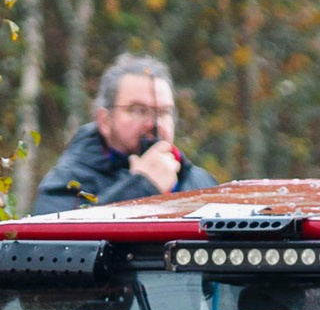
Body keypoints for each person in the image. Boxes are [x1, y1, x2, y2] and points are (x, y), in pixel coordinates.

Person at [31, 53, 219, 215]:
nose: (153, 125)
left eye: (163, 112)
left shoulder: (200, 182)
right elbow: (54, 248)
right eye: (139, 110)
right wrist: (143, 185)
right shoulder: (69, 182)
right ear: (105, 120)